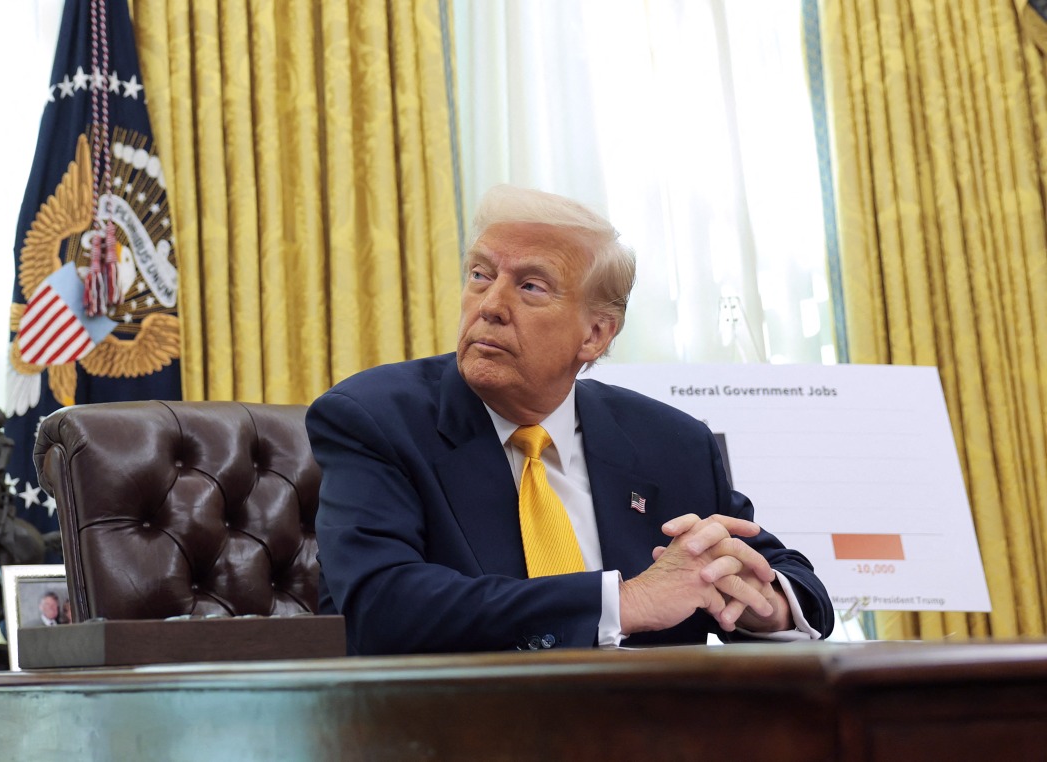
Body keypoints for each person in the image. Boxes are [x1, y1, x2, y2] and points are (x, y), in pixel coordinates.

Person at [308, 185, 834, 655]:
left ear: (596, 335)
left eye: (531, 286)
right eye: (480, 274)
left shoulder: (670, 443)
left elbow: (793, 579)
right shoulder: (375, 419)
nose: (489, 304)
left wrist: (767, 603)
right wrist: (625, 602)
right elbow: (380, 608)